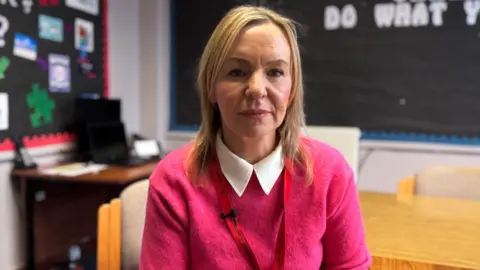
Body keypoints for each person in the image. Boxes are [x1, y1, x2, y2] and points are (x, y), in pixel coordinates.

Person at [140, 5, 371, 270]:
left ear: (292, 89)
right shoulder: (173, 181)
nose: (256, 89)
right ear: (211, 88)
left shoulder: (331, 172)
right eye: (237, 72)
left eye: (275, 72)